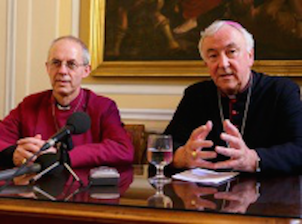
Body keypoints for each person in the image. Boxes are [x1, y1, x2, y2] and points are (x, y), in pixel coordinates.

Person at [164, 20, 302, 174]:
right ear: (206, 64)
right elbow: (163, 146)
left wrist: (253, 159)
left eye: (231, 52)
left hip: (270, 194)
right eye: (213, 55)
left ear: (250, 56)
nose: (223, 64)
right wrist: (180, 157)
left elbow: (299, 149)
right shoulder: (196, 95)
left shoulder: (281, 91)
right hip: (207, 194)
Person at [0, 36, 134, 168]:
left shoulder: (103, 107)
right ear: (47, 68)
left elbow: (123, 149)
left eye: (71, 64)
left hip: (84, 187)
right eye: (56, 63)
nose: (62, 71)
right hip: (34, 187)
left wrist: (63, 156)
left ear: (85, 70)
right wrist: (13, 154)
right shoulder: (30, 104)